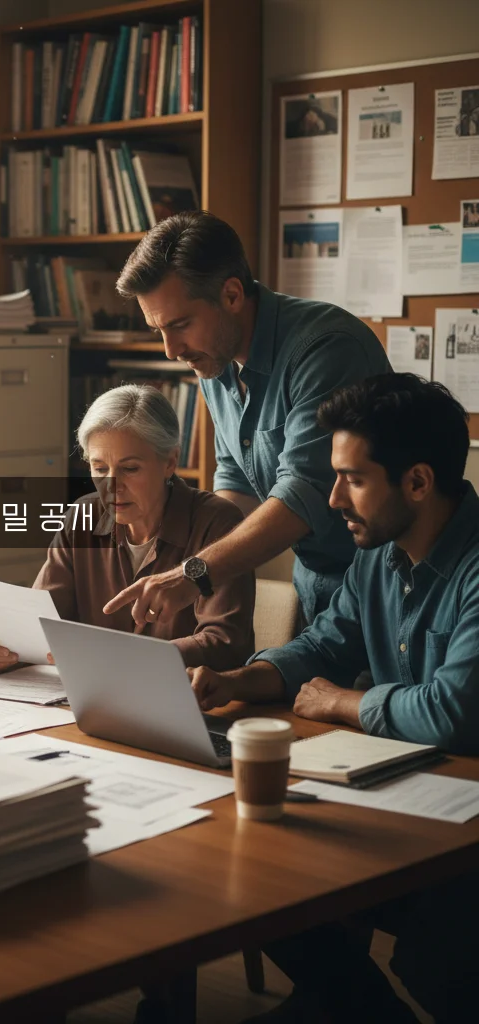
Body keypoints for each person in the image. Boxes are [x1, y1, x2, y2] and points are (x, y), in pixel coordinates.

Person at [191, 374, 478, 1024]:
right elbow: (323, 646)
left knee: (437, 955)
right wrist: (237, 681)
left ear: (417, 482)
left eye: (352, 479)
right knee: (259, 874)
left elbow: (452, 711)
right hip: (407, 796)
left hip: (463, 825)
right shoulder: (377, 554)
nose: (332, 498)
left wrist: (345, 704)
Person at [107, 211, 391, 631]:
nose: (171, 350)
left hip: (386, 589)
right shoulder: (213, 359)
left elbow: (302, 496)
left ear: (232, 294)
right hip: (316, 587)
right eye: (158, 330)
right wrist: (182, 563)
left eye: (180, 325)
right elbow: (236, 486)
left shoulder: (326, 349)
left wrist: (195, 573)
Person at [0, 384, 255, 672]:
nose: (112, 486)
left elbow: (225, 645)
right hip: (87, 693)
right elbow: (40, 624)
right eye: (99, 468)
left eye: (130, 469)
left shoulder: (217, 522)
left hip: (186, 695)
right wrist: (2, 646)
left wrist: (122, 656)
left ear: (170, 462)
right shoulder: (81, 516)